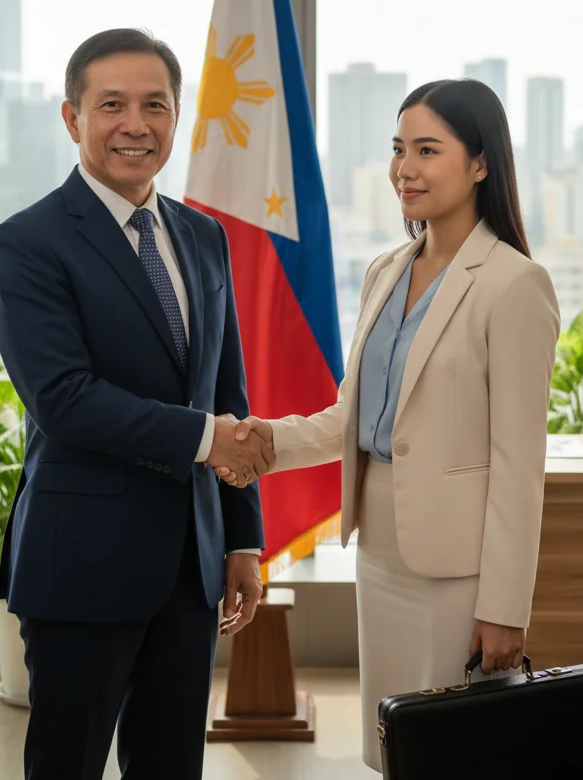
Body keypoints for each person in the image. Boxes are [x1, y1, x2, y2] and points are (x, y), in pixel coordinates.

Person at [218, 78, 561, 772]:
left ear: (481, 162)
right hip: (380, 549)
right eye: (398, 149)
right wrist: (267, 442)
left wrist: (504, 608)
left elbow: (519, 465)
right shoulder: (385, 270)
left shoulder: (513, 283)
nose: (405, 168)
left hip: (458, 567)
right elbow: (356, 415)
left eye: (428, 150)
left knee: (452, 750)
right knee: (394, 743)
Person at [0, 28, 274, 780]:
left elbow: (227, 393)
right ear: (71, 118)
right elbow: (64, 400)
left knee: (172, 766)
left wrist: (242, 538)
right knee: (67, 766)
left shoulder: (203, 236)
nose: (135, 124)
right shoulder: (28, 242)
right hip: (82, 560)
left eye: (156, 105)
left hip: (191, 565)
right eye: (111, 104)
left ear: (177, 118)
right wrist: (209, 441)